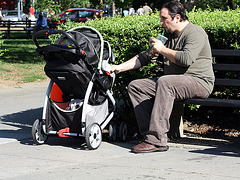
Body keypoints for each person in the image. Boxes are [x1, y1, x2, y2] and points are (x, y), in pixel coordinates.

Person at [111, 1, 215, 153]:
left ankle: (157, 140)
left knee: (166, 82)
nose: (161, 23)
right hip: (174, 82)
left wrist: (162, 49)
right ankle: (149, 137)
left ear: (177, 18)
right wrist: (119, 68)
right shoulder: (168, 35)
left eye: (164, 19)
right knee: (136, 86)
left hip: (199, 82)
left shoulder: (196, 32)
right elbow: (144, 57)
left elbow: (186, 59)